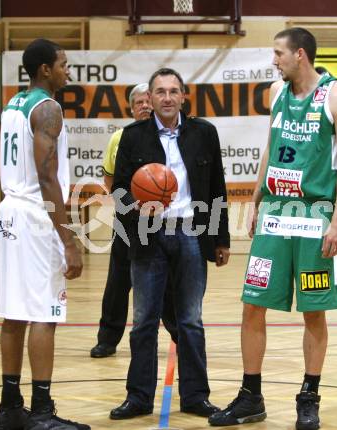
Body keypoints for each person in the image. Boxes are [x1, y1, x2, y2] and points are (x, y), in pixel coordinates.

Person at [209, 28, 337, 429]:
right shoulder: (276, 94)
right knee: (253, 303)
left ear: (301, 55)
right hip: (275, 214)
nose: (274, 60)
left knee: (313, 310)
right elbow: (271, 146)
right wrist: (257, 198)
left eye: (279, 54)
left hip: (314, 216)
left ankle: (309, 397)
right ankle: (250, 396)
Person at [109, 68, 230, 420]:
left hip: (192, 232)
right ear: (150, 97)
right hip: (148, 234)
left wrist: (220, 238)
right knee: (144, 319)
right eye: (159, 91)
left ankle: (195, 396)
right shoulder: (133, 137)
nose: (166, 97)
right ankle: (138, 397)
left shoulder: (204, 133)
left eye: (173, 91)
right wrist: (140, 209)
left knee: (191, 320)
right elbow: (118, 192)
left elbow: (217, 188)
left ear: (183, 96)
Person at [0, 39, 89, 430]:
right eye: (64, 64)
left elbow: (1, 167)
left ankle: (10, 408)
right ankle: (43, 413)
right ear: (45, 70)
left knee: (13, 315)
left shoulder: (12, 105)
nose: (68, 70)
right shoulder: (47, 108)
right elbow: (48, 177)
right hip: (36, 216)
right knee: (44, 315)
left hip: (10, 211)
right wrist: (68, 239)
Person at [90, 83, 178, 359]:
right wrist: (130, 207)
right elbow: (110, 178)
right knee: (118, 281)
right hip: (128, 221)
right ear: (131, 107)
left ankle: (180, 334)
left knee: (166, 281)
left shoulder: (168, 137)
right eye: (138, 102)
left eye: (146, 101)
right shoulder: (121, 137)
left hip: (164, 221)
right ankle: (107, 339)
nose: (144, 106)